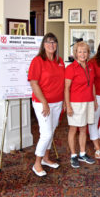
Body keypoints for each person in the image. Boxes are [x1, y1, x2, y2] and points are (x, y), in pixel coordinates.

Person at [28, 33, 65, 177]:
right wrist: (44, 102)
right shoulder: (37, 61)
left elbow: (61, 83)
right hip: (42, 103)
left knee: (52, 131)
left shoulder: (59, 61)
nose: (52, 45)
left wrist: (63, 102)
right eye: (48, 42)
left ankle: (45, 158)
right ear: (43, 45)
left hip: (57, 102)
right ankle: (36, 163)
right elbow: (34, 83)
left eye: (54, 42)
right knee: (46, 133)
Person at [65, 41, 96, 168]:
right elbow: (66, 88)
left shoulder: (90, 66)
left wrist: (94, 100)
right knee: (73, 129)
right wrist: (68, 105)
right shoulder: (71, 68)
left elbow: (92, 84)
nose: (82, 54)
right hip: (76, 103)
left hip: (88, 101)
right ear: (75, 53)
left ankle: (82, 153)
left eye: (85, 51)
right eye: (80, 51)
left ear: (88, 53)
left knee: (84, 128)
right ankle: (73, 155)